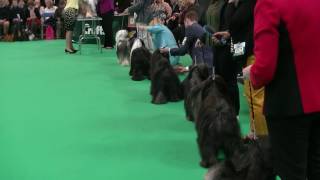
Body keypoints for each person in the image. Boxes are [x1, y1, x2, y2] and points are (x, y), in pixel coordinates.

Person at [243, 0, 320, 179]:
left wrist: (250, 72)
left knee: (292, 173)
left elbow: (264, 68)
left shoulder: (269, 4)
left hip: (289, 106)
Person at [211, 0, 240, 116]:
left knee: (230, 81)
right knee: (218, 78)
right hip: (220, 47)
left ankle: (234, 113)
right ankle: (222, 109)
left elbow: (236, 28)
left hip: (231, 47)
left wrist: (226, 36)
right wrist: (219, 39)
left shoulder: (237, 5)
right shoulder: (224, 5)